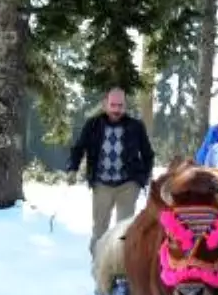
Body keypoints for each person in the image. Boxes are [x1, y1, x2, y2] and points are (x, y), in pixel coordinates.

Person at [65, 88, 155, 254]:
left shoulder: (136, 126)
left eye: (120, 105)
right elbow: (78, 148)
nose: (116, 110)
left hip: (128, 184)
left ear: (125, 106)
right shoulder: (92, 125)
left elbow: (148, 154)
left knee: (124, 230)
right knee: (100, 229)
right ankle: (99, 265)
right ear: (105, 105)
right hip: (101, 184)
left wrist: (143, 178)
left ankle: (121, 269)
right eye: (113, 105)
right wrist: (72, 168)